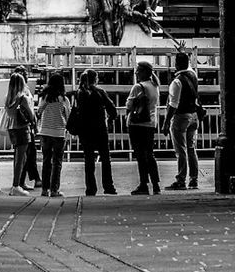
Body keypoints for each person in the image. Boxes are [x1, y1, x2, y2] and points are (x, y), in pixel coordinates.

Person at [71, 69, 121, 196]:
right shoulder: (100, 92)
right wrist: (109, 120)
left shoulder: (79, 93)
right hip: (100, 130)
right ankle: (108, 187)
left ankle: (91, 189)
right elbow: (113, 110)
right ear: (96, 79)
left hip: (85, 131)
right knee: (105, 158)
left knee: (89, 159)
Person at [164, 51, 202, 189]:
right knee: (191, 149)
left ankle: (181, 180)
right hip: (194, 117)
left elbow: (173, 104)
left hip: (181, 117)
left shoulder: (177, 81)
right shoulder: (193, 76)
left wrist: (166, 121)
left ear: (176, 64)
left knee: (181, 150)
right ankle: (194, 180)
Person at [125, 61, 163, 195]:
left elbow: (129, 106)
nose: (136, 73)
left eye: (138, 71)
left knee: (141, 156)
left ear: (145, 72)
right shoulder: (155, 85)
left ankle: (143, 184)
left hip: (137, 125)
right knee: (150, 154)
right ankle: (156, 185)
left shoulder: (138, 86)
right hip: (151, 124)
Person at [2, 71, 39, 195]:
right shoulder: (22, 98)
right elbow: (31, 114)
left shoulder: (7, 97)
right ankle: (16, 185)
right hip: (22, 128)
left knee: (19, 157)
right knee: (21, 158)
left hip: (11, 128)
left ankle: (18, 184)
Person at [36, 72, 72, 198]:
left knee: (46, 161)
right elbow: (68, 115)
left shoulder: (44, 97)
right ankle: (54, 190)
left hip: (45, 132)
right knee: (57, 162)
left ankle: (44, 189)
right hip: (59, 133)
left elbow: (39, 111)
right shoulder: (64, 99)